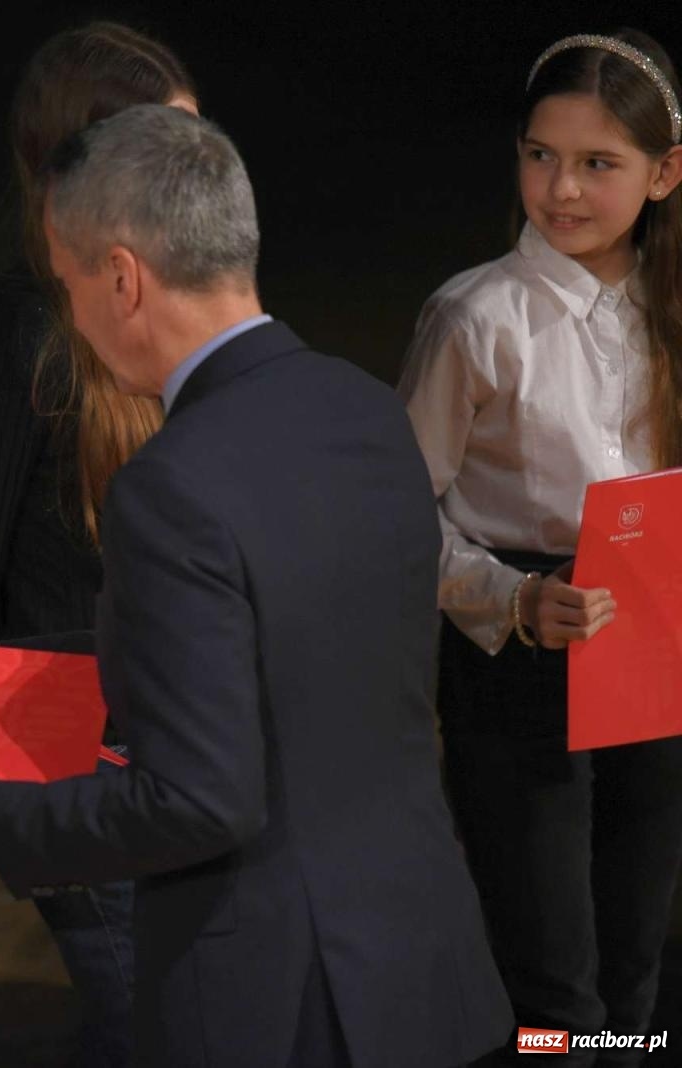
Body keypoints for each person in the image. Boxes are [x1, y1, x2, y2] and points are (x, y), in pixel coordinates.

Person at [0, 105, 512, 1067]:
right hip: (423, 966)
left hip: (277, 1004)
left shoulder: (169, 486)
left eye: (68, 285)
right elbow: (299, 658)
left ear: (122, 278)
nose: (71, 316)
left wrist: (1, 818)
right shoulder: (365, 409)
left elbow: (200, 799)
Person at [397, 29, 682, 1065]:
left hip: (656, 641)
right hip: (523, 649)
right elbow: (397, 517)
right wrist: (510, 599)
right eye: (540, 155)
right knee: (550, 977)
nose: (561, 189)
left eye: (598, 163)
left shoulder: (670, 310)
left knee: (638, 945)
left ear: (664, 174)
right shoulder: (476, 317)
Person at [0, 23, 195, 1063]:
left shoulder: (178, 304)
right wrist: (5, 793)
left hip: (182, 759)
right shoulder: (26, 337)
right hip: (73, 767)